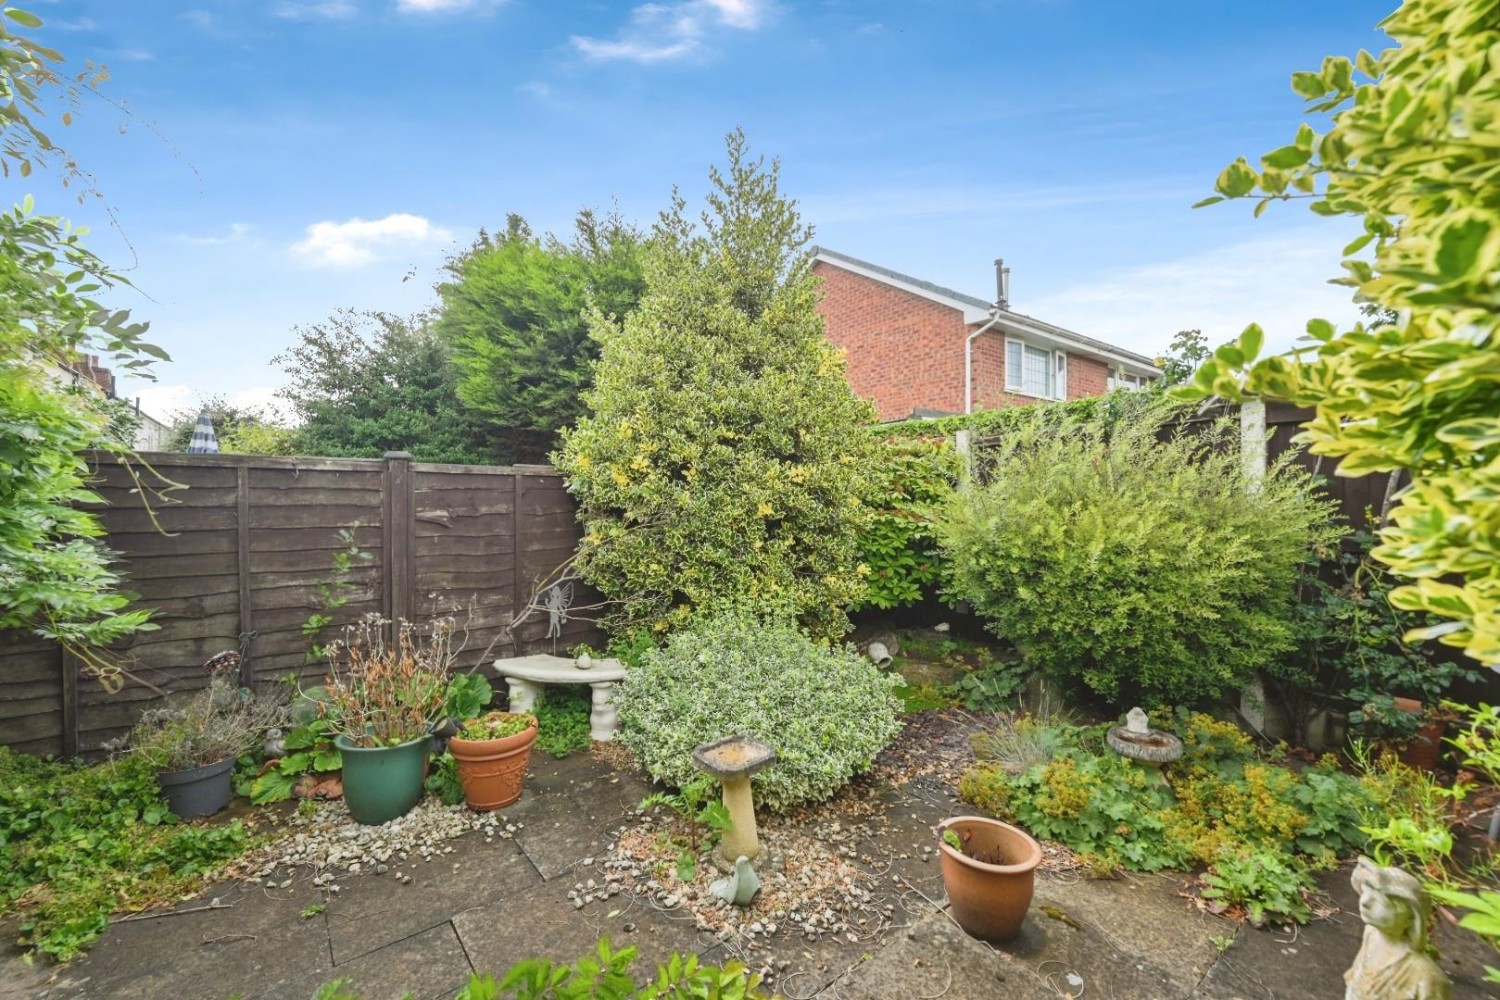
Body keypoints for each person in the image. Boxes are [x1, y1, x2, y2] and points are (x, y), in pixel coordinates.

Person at [1345, 856, 1451, 1000]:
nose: (1364, 901)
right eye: (1365, 892)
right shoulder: (1371, 933)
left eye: (1378, 900)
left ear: (1410, 917)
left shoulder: (1426, 977)